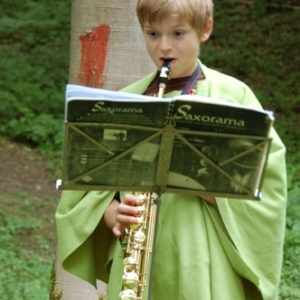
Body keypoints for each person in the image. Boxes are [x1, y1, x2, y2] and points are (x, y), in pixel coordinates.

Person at [55, 0, 287, 299]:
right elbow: (85, 190)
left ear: (205, 30)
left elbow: (269, 191)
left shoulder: (234, 95)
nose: (164, 46)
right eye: (153, 34)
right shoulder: (125, 99)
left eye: (178, 34)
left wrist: (206, 185)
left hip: (202, 259)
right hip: (135, 263)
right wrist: (114, 214)